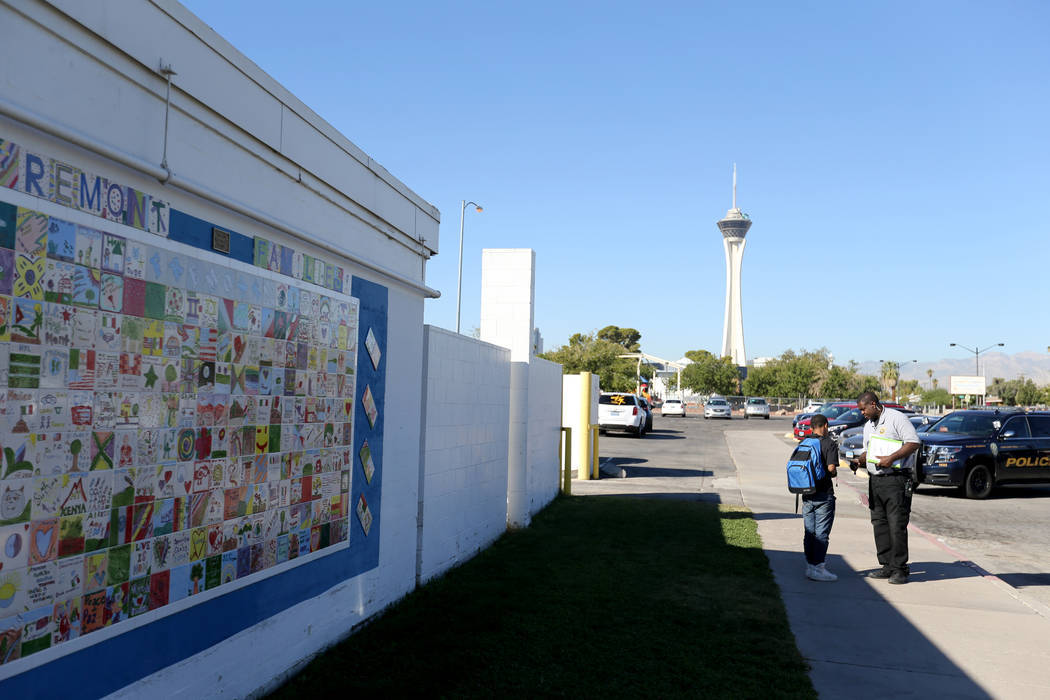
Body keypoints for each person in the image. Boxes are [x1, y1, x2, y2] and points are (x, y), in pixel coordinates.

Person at [851, 391, 920, 585]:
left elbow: (914, 442)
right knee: (879, 523)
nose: (862, 413)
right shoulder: (868, 426)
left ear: (873, 404)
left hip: (896, 480)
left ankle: (900, 569)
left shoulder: (896, 418)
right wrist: (859, 460)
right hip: (876, 481)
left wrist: (891, 459)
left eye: (863, 409)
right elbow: (869, 451)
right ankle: (887, 565)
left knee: (896, 524)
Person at [803, 414, 839, 582]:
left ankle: (810, 566)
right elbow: (831, 468)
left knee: (810, 532)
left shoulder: (804, 443)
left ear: (811, 427)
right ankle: (819, 568)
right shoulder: (829, 444)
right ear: (825, 425)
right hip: (824, 494)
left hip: (806, 493)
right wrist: (830, 471)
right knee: (822, 533)